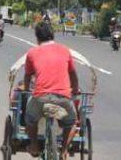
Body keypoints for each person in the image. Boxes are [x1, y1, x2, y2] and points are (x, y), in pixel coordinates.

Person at [23, 22, 79, 159]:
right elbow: (73, 74)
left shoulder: (32, 53)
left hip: (40, 97)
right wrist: (75, 90)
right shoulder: (65, 50)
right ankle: (64, 150)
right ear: (52, 35)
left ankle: (35, 146)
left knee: (30, 119)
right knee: (72, 123)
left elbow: (27, 75)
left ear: (37, 38)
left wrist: (25, 89)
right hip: (63, 97)